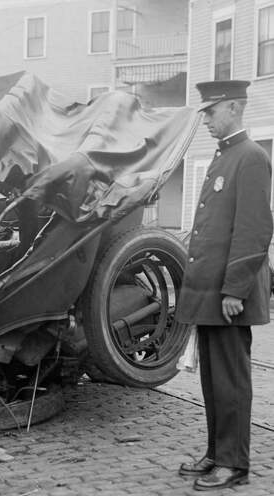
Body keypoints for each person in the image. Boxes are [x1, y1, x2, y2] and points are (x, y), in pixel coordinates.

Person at [176, 79, 273, 491]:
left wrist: (234, 288)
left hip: (229, 294)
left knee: (231, 381)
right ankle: (217, 453)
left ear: (234, 108)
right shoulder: (224, 158)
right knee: (213, 381)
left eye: (212, 112)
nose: (207, 121)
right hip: (211, 293)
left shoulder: (250, 157)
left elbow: (253, 231)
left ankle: (235, 464)